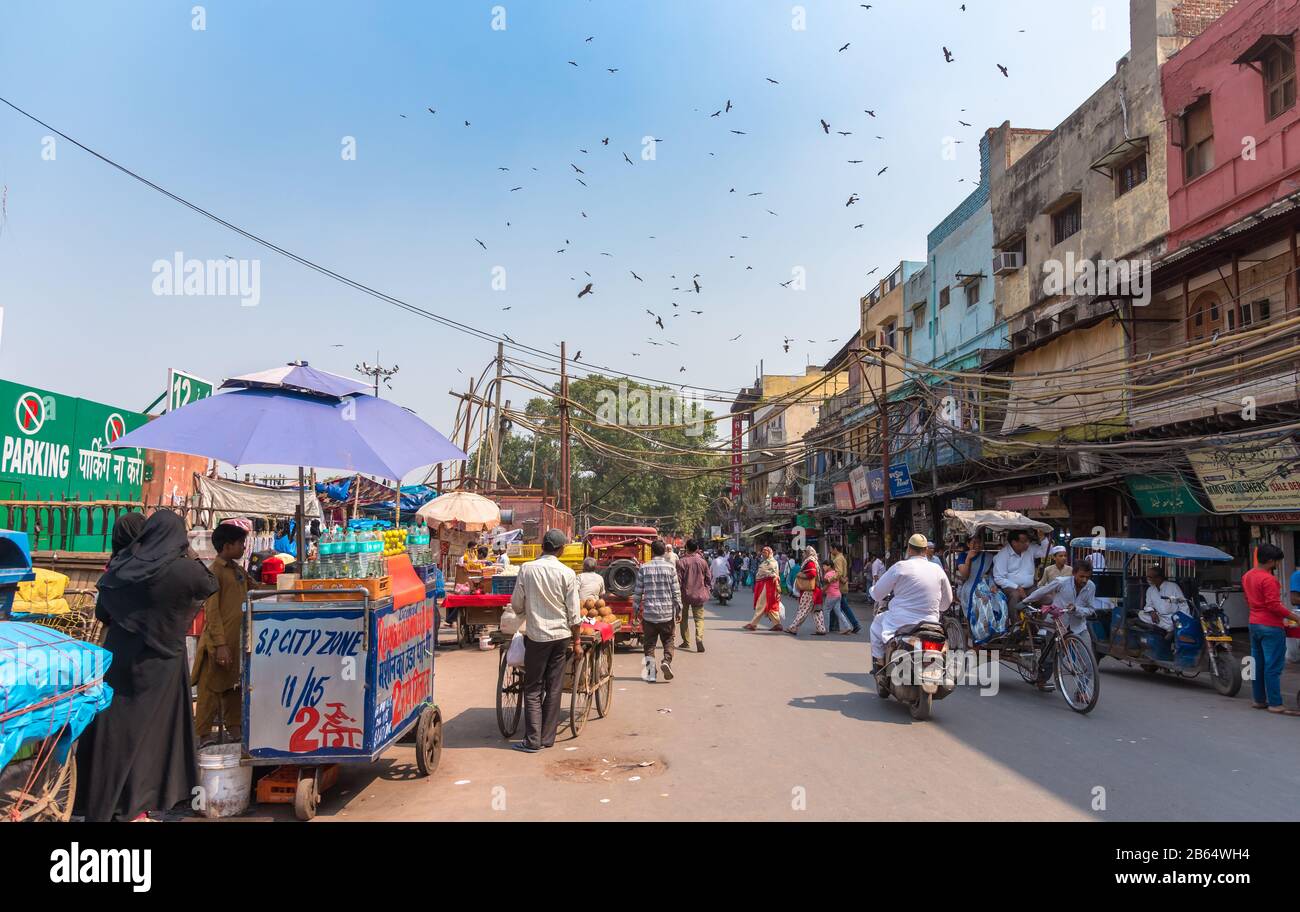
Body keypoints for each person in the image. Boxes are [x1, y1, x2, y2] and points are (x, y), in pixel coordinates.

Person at [75, 511, 218, 822]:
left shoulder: (123, 566)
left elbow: (103, 610)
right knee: (154, 738)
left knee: (117, 732)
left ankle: (107, 803)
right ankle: (138, 807)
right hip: (162, 665)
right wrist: (189, 553)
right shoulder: (183, 570)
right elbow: (210, 583)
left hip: (122, 658)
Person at [509, 529, 583, 752]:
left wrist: (529, 610)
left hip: (537, 636)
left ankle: (532, 740)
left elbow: (517, 605)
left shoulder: (527, 569)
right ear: (561, 550)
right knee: (554, 686)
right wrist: (577, 642)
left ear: (543, 547)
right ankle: (547, 738)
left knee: (533, 687)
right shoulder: (568, 573)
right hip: (561, 637)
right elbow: (575, 614)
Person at [192, 522, 250, 745]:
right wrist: (220, 644)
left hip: (238, 640)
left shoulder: (238, 570)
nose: (244, 548)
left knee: (234, 686)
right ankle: (204, 734)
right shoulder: (214, 572)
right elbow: (212, 612)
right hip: (218, 643)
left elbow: (255, 588)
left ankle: (234, 728)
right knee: (210, 690)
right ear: (227, 546)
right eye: (240, 544)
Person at [869, 534, 953, 677]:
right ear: (926, 550)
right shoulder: (937, 569)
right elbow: (947, 602)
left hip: (900, 622)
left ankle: (880, 664)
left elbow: (877, 594)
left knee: (876, 625)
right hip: (931, 622)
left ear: (908, 549)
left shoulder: (900, 567)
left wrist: (873, 589)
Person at [1243, 544, 1300, 715]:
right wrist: (1295, 617)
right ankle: (1275, 703)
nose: (1277, 564)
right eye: (1276, 561)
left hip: (1254, 623)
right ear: (1269, 561)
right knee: (1273, 666)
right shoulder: (1268, 579)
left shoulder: (1247, 575)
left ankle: (1259, 700)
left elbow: (1248, 599)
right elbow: (1274, 606)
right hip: (1270, 625)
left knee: (1259, 664)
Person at [1023, 562, 1097, 690]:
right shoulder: (1061, 582)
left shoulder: (1091, 587)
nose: (1084, 580)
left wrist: (1077, 609)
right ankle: (1042, 679)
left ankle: (1083, 690)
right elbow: (1042, 591)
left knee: (1089, 661)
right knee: (1051, 658)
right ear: (1074, 574)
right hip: (1056, 624)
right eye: (1081, 576)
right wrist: (1025, 601)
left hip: (1079, 627)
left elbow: (1091, 609)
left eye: (1087, 577)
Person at [633, 540, 682, 682]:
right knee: (668, 640)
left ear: (652, 552)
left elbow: (637, 593)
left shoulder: (644, 568)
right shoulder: (670, 568)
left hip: (649, 614)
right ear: (665, 552)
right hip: (667, 614)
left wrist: (635, 610)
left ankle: (651, 673)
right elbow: (676, 592)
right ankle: (666, 661)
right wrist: (679, 609)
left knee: (649, 644)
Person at [991, 530, 1049, 625]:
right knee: (1015, 595)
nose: (1027, 543)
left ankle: (1038, 624)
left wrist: (1042, 538)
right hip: (1011, 588)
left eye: (1027, 541)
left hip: (1029, 587)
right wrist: (1017, 587)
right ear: (1014, 542)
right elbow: (999, 578)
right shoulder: (1003, 555)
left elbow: (1046, 551)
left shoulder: (1030, 549)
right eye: (1024, 541)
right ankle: (1016, 625)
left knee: (1047, 599)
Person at [676, 539, 710, 652]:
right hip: (699, 595)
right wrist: (707, 590)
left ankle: (686, 642)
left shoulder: (681, 562)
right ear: (697, 549)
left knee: (683, 619)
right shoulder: (703, 562)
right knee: (699, 619)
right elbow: (708, 579)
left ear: (686, 548)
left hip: (684, 595)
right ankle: (699, 638)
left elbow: (678, 581)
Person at [786, 546, 826, 637]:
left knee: (803, 610)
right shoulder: (814, 560)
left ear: (808, 553)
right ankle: (821, 628)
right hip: (815, 590)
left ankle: (793, 627)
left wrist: (800, 575)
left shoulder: (810, 562)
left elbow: (812, 574)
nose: (802, 554)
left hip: (809, 590)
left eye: (804, 552)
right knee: (817, 611)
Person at [745, 546, 784, 631]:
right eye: (762, 552)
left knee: (761, 604)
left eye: (765, 552)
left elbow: (769, 573)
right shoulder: (767, 562)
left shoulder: (771, 562)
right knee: (770, 605)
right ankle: (777, 624)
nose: (763, 553)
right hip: (766, 585)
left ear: (769, 553)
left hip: (769, 586)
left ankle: (753, 624)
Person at [1138, 565, 1186, 634]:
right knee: (1141, 614)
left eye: (1150, 577)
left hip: (1173, 618)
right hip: (1159, 618)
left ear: (1158, 578)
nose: (1148, 579)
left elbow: (1183, 605)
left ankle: (1170, 628)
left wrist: (1181, 619)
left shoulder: (1173, 586)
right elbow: (1148, 605)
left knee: (1178, 622)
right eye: (1147, 577)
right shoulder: (1150, 589)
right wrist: (1152, 612)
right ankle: (1169, 629)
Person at [821, 558, 860, 636]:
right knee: (838, 612)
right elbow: (843, 580)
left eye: (824, 566)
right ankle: (847, 626)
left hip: (831, 595)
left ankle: (826, 628)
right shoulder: (836, 573)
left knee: (826, 610)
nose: (823, 567)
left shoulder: (827, 575)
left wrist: (821, 591)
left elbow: (826, 585)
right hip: (838, 594)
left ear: (829, 566)